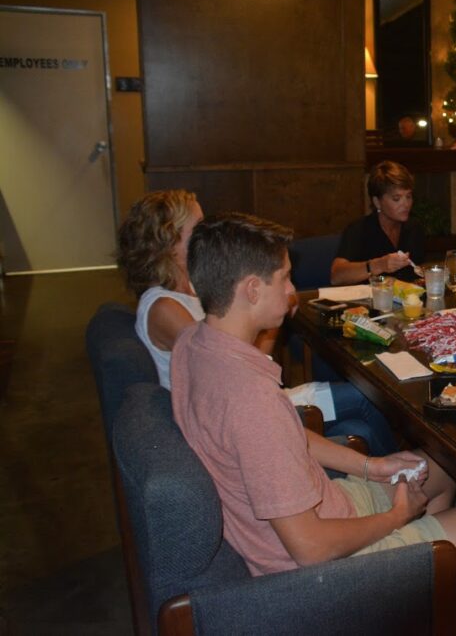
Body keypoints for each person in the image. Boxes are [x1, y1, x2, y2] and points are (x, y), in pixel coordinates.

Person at [174, 213, 456, 636]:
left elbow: (284, 437)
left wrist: (373, 467)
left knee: (439, 466)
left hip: (323, 510)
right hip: (323, 577)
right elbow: (312, 550)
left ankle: (429, 600)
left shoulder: (195, 343)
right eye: (284, 279)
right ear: (251, 290)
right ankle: (442, 596)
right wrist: (397, 517)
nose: (292, 290)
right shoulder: (248, 401)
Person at [115, 190, 397, 455]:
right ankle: (405, 483)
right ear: (170, 242)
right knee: (368, 398)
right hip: (235, 420)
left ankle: (396, 480)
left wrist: (269, 307)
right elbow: (244, 368)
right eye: (199, 227)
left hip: (249, 402)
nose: (210, 234)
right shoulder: (163, 307)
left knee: (361, 428)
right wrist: (272, 315)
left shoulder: (192, 287)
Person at [331, 161, 425, 285]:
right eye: (396, 199)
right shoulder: (359, 230)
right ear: (377, 202)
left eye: (408, 197)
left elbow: (417, 274)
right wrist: (379, 265)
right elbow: (336, 276)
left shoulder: (414, 228)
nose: (406, 204)